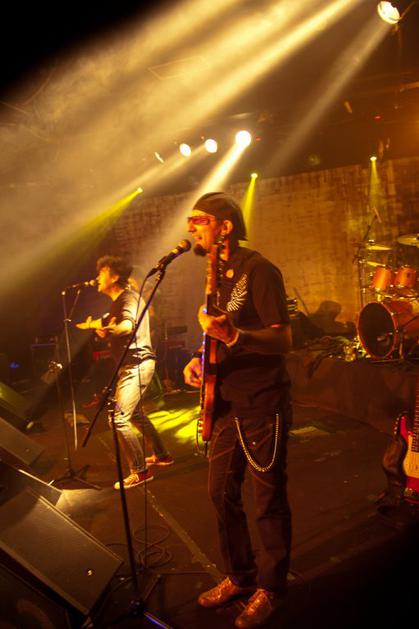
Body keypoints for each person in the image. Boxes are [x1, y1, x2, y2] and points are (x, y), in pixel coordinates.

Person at [183, 193, 293, 628]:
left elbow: (283, 339)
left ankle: (273, 587)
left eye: (199, 220)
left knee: (267, 499)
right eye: (190, 221)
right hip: (226, 401)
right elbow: (215, 331)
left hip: (262, 401)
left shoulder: (259, 270)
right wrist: (200, 359)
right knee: (220, 493)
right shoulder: (216, 277)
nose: (191, 227)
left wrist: (234, 337)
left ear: (225, 226)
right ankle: (240, 575)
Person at [76, 255, 173, 489]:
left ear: (115, 276)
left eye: (102, 272)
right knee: (135, 414)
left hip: (136, 364)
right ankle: (161, 455)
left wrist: (116, 329)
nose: (97, 277)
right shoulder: (119, 301)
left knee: (118, 419)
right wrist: (92, 326)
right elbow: (106, 321)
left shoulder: (128, 299)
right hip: (133, 364)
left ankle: (140, 471)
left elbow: (127, 324)